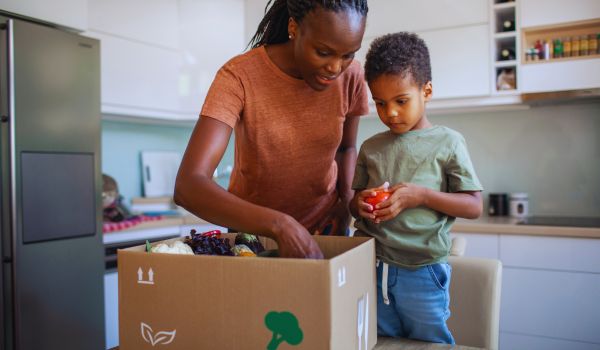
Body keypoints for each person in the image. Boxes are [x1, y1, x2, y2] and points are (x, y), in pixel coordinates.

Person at [174, 0, 370, 259]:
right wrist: (281, 226)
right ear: (294, 28)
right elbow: (189, 186)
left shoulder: (352, 76)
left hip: (325, 230)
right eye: (323, 52)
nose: (335, 68)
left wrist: (345, 204)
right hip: (254, 239)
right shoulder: (239, 76)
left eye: (348, 55)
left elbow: (346, 148)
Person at [349, 32, 483, 344]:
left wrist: (421, 195)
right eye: (380, 103)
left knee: (428, 343)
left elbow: (473, 206)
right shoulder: (371, 147)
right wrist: (361, 204)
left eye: (401, 101)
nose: (390, 112)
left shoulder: (448, 142)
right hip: (372, 265)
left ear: (427, 91)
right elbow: (352, 204)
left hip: (422, 270)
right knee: (378, 341)